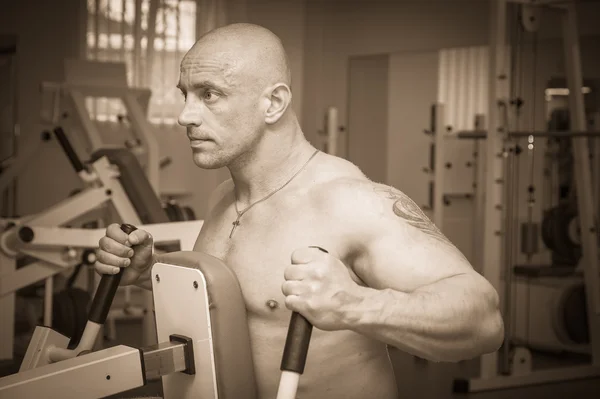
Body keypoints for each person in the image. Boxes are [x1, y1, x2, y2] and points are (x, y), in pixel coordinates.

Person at [95, 23, 504, 399]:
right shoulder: (224, 196)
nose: (185, 115)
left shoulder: (350, 201)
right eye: (185, 94)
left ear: (273, 102)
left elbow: (483, 320)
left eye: (210, 94)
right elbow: (243, 302)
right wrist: (151, 272)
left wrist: (353, 304)